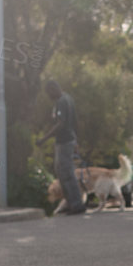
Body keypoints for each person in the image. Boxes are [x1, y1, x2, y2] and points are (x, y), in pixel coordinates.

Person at [44, 78, 85, 215]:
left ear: (53, 89)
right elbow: (75, 122)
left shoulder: (62, 101)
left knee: (66, 173)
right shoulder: (67, 99)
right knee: (61, 172)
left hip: (64, 142)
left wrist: (45, 138)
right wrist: (76, 140)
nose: (49, 96)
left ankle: (76, 204)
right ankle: (70, 202)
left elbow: (61, 124)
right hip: (67, 141)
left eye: (49, 93)